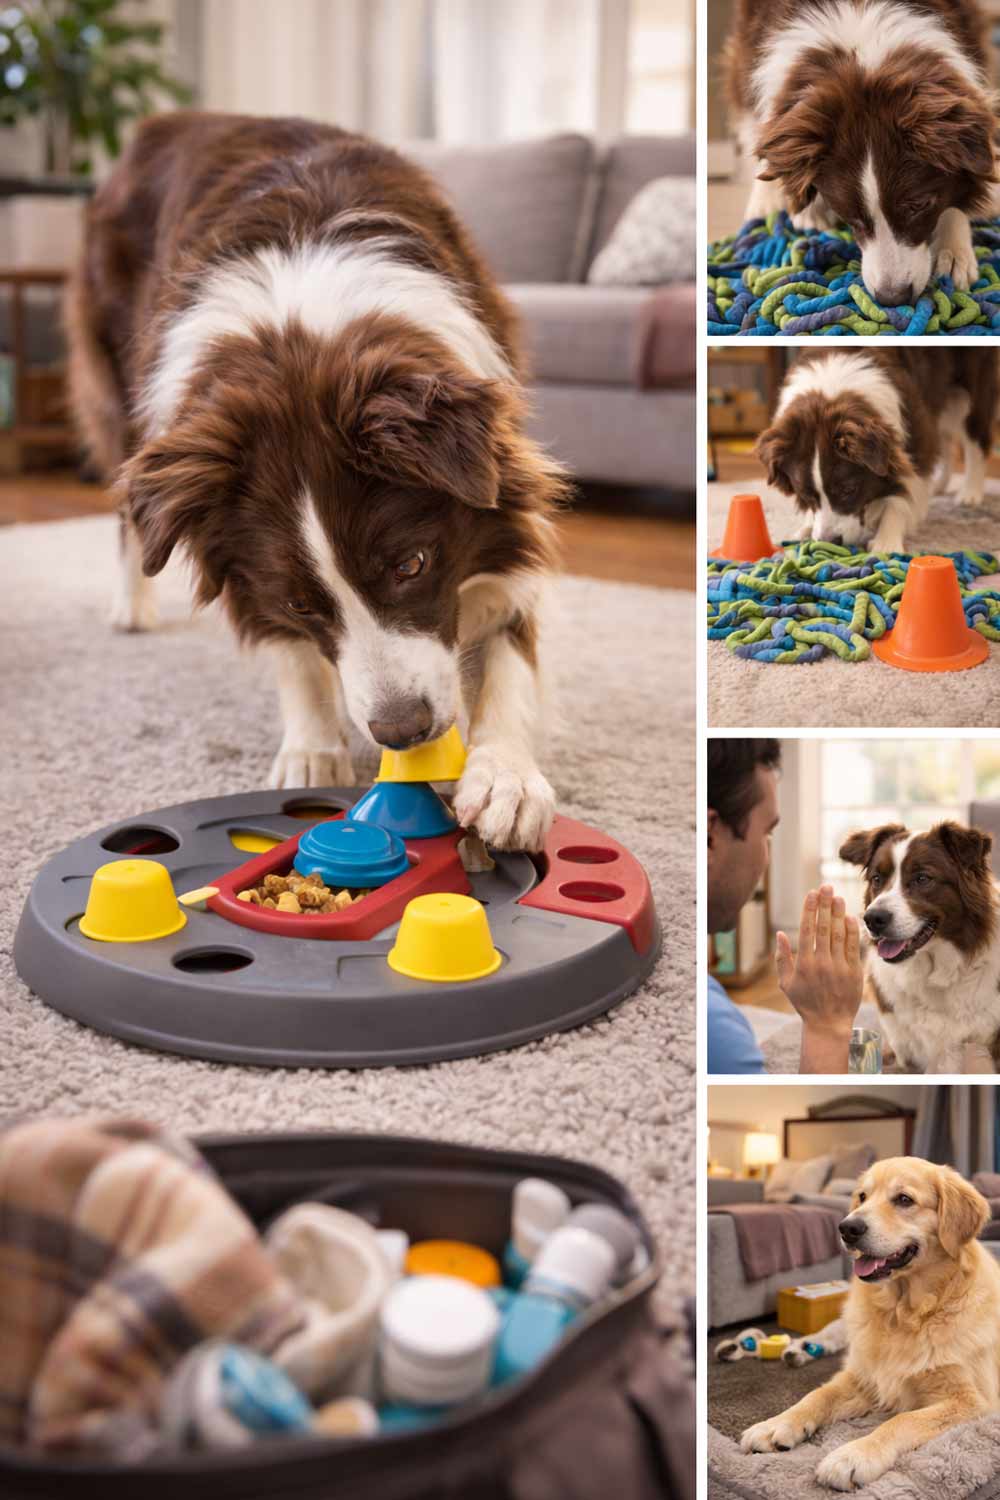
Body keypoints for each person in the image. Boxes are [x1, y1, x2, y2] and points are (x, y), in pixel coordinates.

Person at [707, 740, 863, 1074]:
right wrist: (828, 1024)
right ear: (709, 836)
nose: (767, 855)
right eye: (768, 834)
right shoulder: (714, 1033)